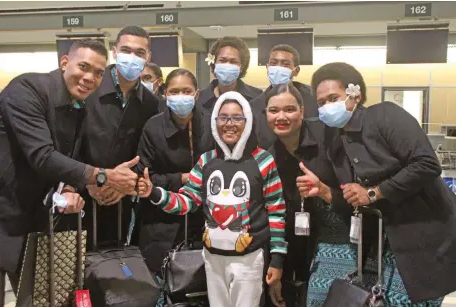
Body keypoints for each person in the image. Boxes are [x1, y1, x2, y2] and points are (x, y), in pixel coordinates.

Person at [0, 40, 141, 306]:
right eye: (84, 67)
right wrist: (103, 176)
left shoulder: (80, 106)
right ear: (64, 62)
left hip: (30, 219)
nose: (90, 77)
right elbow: (42, 156)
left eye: (99, 72)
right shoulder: (26, 90)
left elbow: (67, 159)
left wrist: (70, 187)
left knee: (41, 301)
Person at [299, 62, 456, 305]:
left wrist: (374, 192)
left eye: (333, 98)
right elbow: (355, 201)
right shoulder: (337, 144)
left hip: (425, 236)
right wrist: (326, 191)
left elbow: (427, 164)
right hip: (383, 246)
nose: (327, 107)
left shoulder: (383, 115)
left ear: (355, 94)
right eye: (321, 102)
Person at [137, 91, 287, 307]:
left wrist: (277, 259)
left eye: (237, 118)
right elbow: (187, 202)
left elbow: (276, 212)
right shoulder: (206, 160)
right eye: (223, 117)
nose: (229, 123)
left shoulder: (263, 160)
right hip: (212, 259)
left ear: (249, 121)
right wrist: (154, 192)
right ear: (215, 121)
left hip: (250, 259)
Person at [80, 26, 160, 250]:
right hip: (80, 194)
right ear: (114, 51)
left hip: (123, 200)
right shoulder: (89, 90)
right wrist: (89, 181)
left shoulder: (151, 105)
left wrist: (122, 185)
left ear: (148, 57)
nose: (132, 57)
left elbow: (147, 152)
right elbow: (69, 142)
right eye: (126, 50)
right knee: (77, 270)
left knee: (116, 269)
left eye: (140, 53)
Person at [264, 83, 340, 307]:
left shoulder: (328, 137)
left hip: (334, 241)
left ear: (302, 111)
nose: (281, 117)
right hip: (291, 248)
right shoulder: (268, 159)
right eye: (274, 110)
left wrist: (325, 190)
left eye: (289, 109)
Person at [136, 68, 206, 274]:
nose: (181, 97)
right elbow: (145, 176)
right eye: (175, 92)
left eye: (187, 91)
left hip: (202, 218)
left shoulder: (211, 125)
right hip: (160, 218)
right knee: (161, 280)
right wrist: (183, 178)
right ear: (165, 93)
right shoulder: (153, 127)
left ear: (197, 94)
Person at [197, 36, 263, 151]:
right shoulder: (199, 99)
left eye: (233, 62)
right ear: (213, 63)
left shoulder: (257, 98)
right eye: (222, 60)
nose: (227, 65)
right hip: (207, 162)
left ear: (242, 66)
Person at [252, 44, 319, 150]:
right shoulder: (254, 106)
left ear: (296, 71)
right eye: (273, 63)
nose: (278, 68)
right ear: (267, 68)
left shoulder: (313, 98)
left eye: (285, 64)